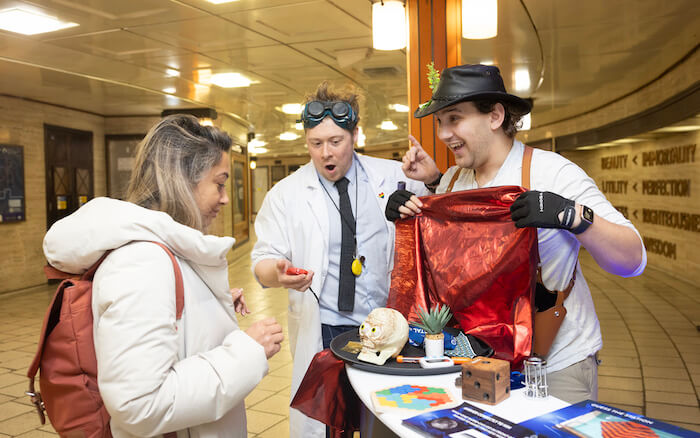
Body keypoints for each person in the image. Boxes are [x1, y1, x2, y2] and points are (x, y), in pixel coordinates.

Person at [385, 64, 647, 404]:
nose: (444, 134)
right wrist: (412, 204)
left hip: (554, 365)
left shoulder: (551, 172)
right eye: (439, 122)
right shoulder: (451, 181)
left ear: (495, 116)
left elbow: (633, 260)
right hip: (479, 361)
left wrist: (571, 215)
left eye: (454, 119)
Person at [43, 114, 284, 437]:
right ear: (184, 181)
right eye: (220, 183)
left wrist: (209, 303)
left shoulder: (159, 253)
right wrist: (248, 350)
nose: (225, 198)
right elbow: (140, 405)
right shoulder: (142, 261)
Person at [251, 81, 428, 437]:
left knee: (385, 420)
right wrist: (278, 273)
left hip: (386, 323)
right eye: (316, 144)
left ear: (355, 134)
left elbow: (435, 223)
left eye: (336, 142)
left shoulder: (394, 177)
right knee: (332, 425)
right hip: (326, 327)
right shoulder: (286, 194)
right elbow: (263, 261)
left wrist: (433, 178)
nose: (326, 154)